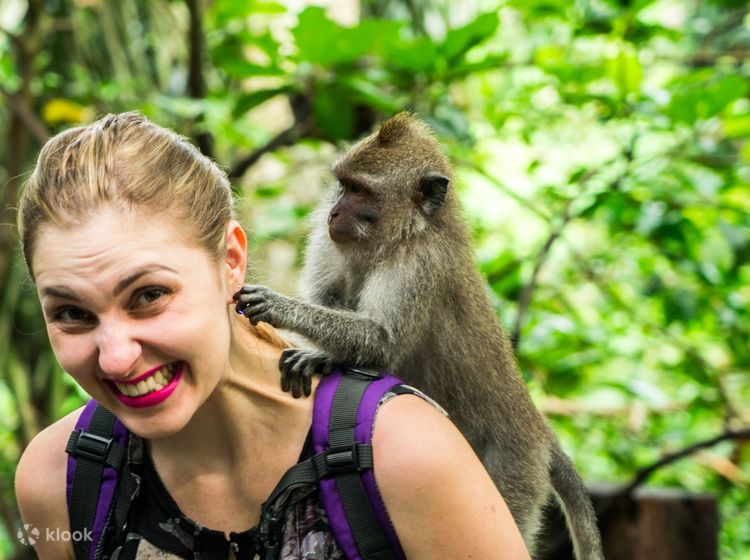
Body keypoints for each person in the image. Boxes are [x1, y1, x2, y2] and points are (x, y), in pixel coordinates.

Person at [14, 112, 530, 559]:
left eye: (149, 295)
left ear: (231, 263)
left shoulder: (403, 453)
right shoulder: (60, 478)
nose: (116, 359)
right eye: (72, 313)